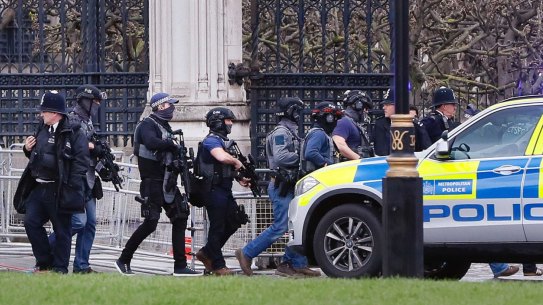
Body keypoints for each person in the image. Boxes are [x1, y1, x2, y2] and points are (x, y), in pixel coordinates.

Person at [115, 92, 199, 276]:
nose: (173, 109)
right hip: (152, 183)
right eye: (170, 105)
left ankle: (180, 266)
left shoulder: (165, 126)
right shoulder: (147, 124)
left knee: (180, 217)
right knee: (151, 223)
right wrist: (171, 145)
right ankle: (123, 260)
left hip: (167, 182)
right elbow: (152, 142)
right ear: (160, 106)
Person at [235, 97, 320, 277]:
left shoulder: (290, 131)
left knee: (296, 225)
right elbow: (281, 157)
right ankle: (247, 252)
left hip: (290, 185)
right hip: (282, 186)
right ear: (290, 111)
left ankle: (296, 263)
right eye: (296, 110)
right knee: (281, 226)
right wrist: (302, 158)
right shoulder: (281, 132)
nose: (299, 113)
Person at [14, 91, 90, 274]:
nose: (41, 114)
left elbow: (81, 162)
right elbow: (36, 154)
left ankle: (59, 268)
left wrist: (70, 187)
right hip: (39, 186)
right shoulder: (42, 127)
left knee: (62, 230)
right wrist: (27, 148)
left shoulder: (74, 131)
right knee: (31, 223)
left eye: (44, 111)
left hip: (60, 187)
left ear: (55, 113)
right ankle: (45, 262)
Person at [48, 84, 106, 274]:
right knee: (77, 222)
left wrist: (99, 148)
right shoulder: (71, 119)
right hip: (75, 179)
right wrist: (90, 146)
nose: (97, 106)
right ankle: (46, 248)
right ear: (86, 101)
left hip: (88, 178)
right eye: (95, 102)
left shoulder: (88, 121)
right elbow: (66, 144)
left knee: (89, 224)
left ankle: (81, 265)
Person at [195, 107, 251, 276]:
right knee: (217, 227)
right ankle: (218, 265)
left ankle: (207, 252)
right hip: (213, 190)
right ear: (218, 122)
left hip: (223, 189)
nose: (231, 123)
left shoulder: (222, 140)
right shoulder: (211, 140)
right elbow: (221, 157)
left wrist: (238, 176)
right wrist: (236, 162)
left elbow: (221, 167)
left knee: (234, 220)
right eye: (228, 120)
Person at [372, 90, 431, 156]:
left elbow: (427, 148)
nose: (384, 107)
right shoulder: (380, 124)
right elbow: (380, 151)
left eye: (387, 105)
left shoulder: (416, 125)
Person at [332, 90, 373, 160]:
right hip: (348, 168)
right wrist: (360, 159)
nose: (366, 111)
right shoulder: (344, 122)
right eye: (365, 108)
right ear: (358, 105)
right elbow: (340, 145)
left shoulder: (354, 123)